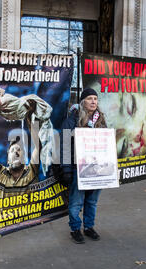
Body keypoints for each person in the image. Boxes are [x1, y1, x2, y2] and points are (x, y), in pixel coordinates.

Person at [61, 88, 107, 244]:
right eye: (89, 98)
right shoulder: (71, 121)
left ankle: (89, 227)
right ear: (82, 102)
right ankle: (75, 229)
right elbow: (65, 147)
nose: (93, 101)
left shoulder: (101, 121)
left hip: (97, 169)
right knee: (76, 202)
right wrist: (66, 170)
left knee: (92, 201)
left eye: (95, 98)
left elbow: (106, 146)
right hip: (77, 169)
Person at [0, 94, 40, 199]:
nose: (16, 152)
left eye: (19, 150)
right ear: (7, 158)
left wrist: (28, 117)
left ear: (24, 158)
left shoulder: (31, 171)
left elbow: (38, 147)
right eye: (13, 150)